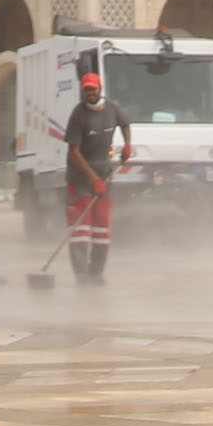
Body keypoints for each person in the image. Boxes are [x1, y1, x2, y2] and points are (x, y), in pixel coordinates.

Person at [61, 68, 132, 284]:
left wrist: (128, 145)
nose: (90, 94)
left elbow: (125, 123)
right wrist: (93, 179)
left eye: (93, 90)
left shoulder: (112, 108)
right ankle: (81, 274)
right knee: (81, 228)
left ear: (100, 89)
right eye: (86, 91)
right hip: (81, 176)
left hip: (105, 173)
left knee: (102, 227)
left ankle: (96, 272)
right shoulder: (78, 115)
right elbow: (74, 152)